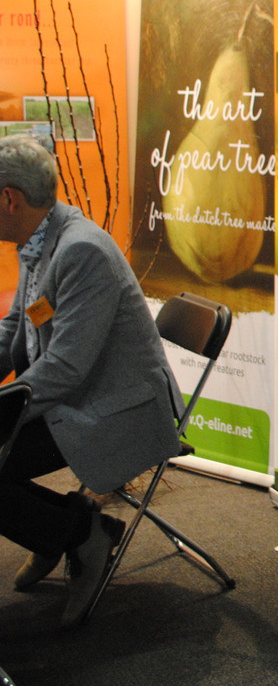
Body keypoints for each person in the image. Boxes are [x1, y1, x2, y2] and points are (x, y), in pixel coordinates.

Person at [0, 135, 180, 627]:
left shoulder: (80, 250)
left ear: (10, 199)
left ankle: (79, 535)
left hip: (114, 410)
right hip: (76, 397)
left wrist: (4, 407)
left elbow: (65, 367)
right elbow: (15, 327)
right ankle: (64, 530)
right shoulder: (40, 239)